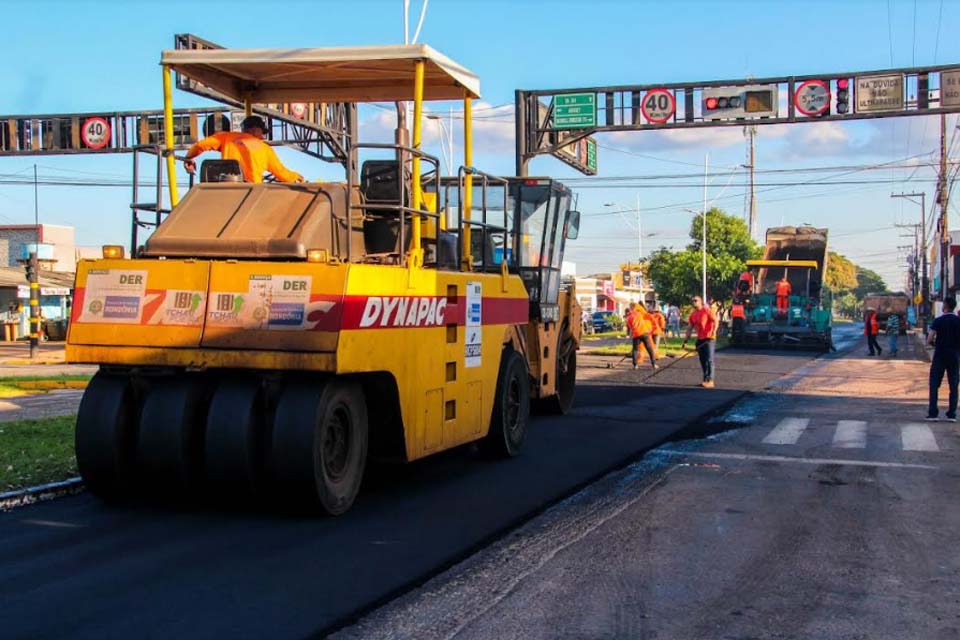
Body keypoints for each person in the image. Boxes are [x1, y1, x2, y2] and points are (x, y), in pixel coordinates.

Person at [182, 115, 304, 184]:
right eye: (262, 132)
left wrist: (189, 158)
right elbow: (282, 174)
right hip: (251, 193)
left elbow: (200, 146)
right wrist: (296, 177)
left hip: (225, 189)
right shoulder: (265, 149)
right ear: (254, 129)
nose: (263, 136)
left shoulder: (226, 137)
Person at [926, 296, 960, 421]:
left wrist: (934, 345)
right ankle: (951, 414)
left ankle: (933, 413)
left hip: (940, 355)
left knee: (934, 384)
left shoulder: (938, 320)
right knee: (954, 385)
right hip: (955, 356)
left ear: (945, 306)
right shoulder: (958, 321)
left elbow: (929, 339)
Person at [683, 295, 717, 388]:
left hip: (709, 338)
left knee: (709, 359)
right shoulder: (693, 314)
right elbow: (689, 328)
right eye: (693, 301)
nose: (694, 302)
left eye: (696, 300)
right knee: (702, 360)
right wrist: (686, 340)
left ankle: (710, 380)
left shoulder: (707, 310)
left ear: (701, 301)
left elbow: (715, 320)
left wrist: (714, 331)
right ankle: (705, 379)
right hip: (700, 339)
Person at [626, 302, 658, 370]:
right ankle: (654, 364)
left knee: (635, 350)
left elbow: (631, 328)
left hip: (636, 335)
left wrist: (631, 335)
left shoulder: (629, 318)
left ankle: (635, 365)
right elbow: (645, 313)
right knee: (649, 349)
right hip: (644, 333)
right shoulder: (639, 314)